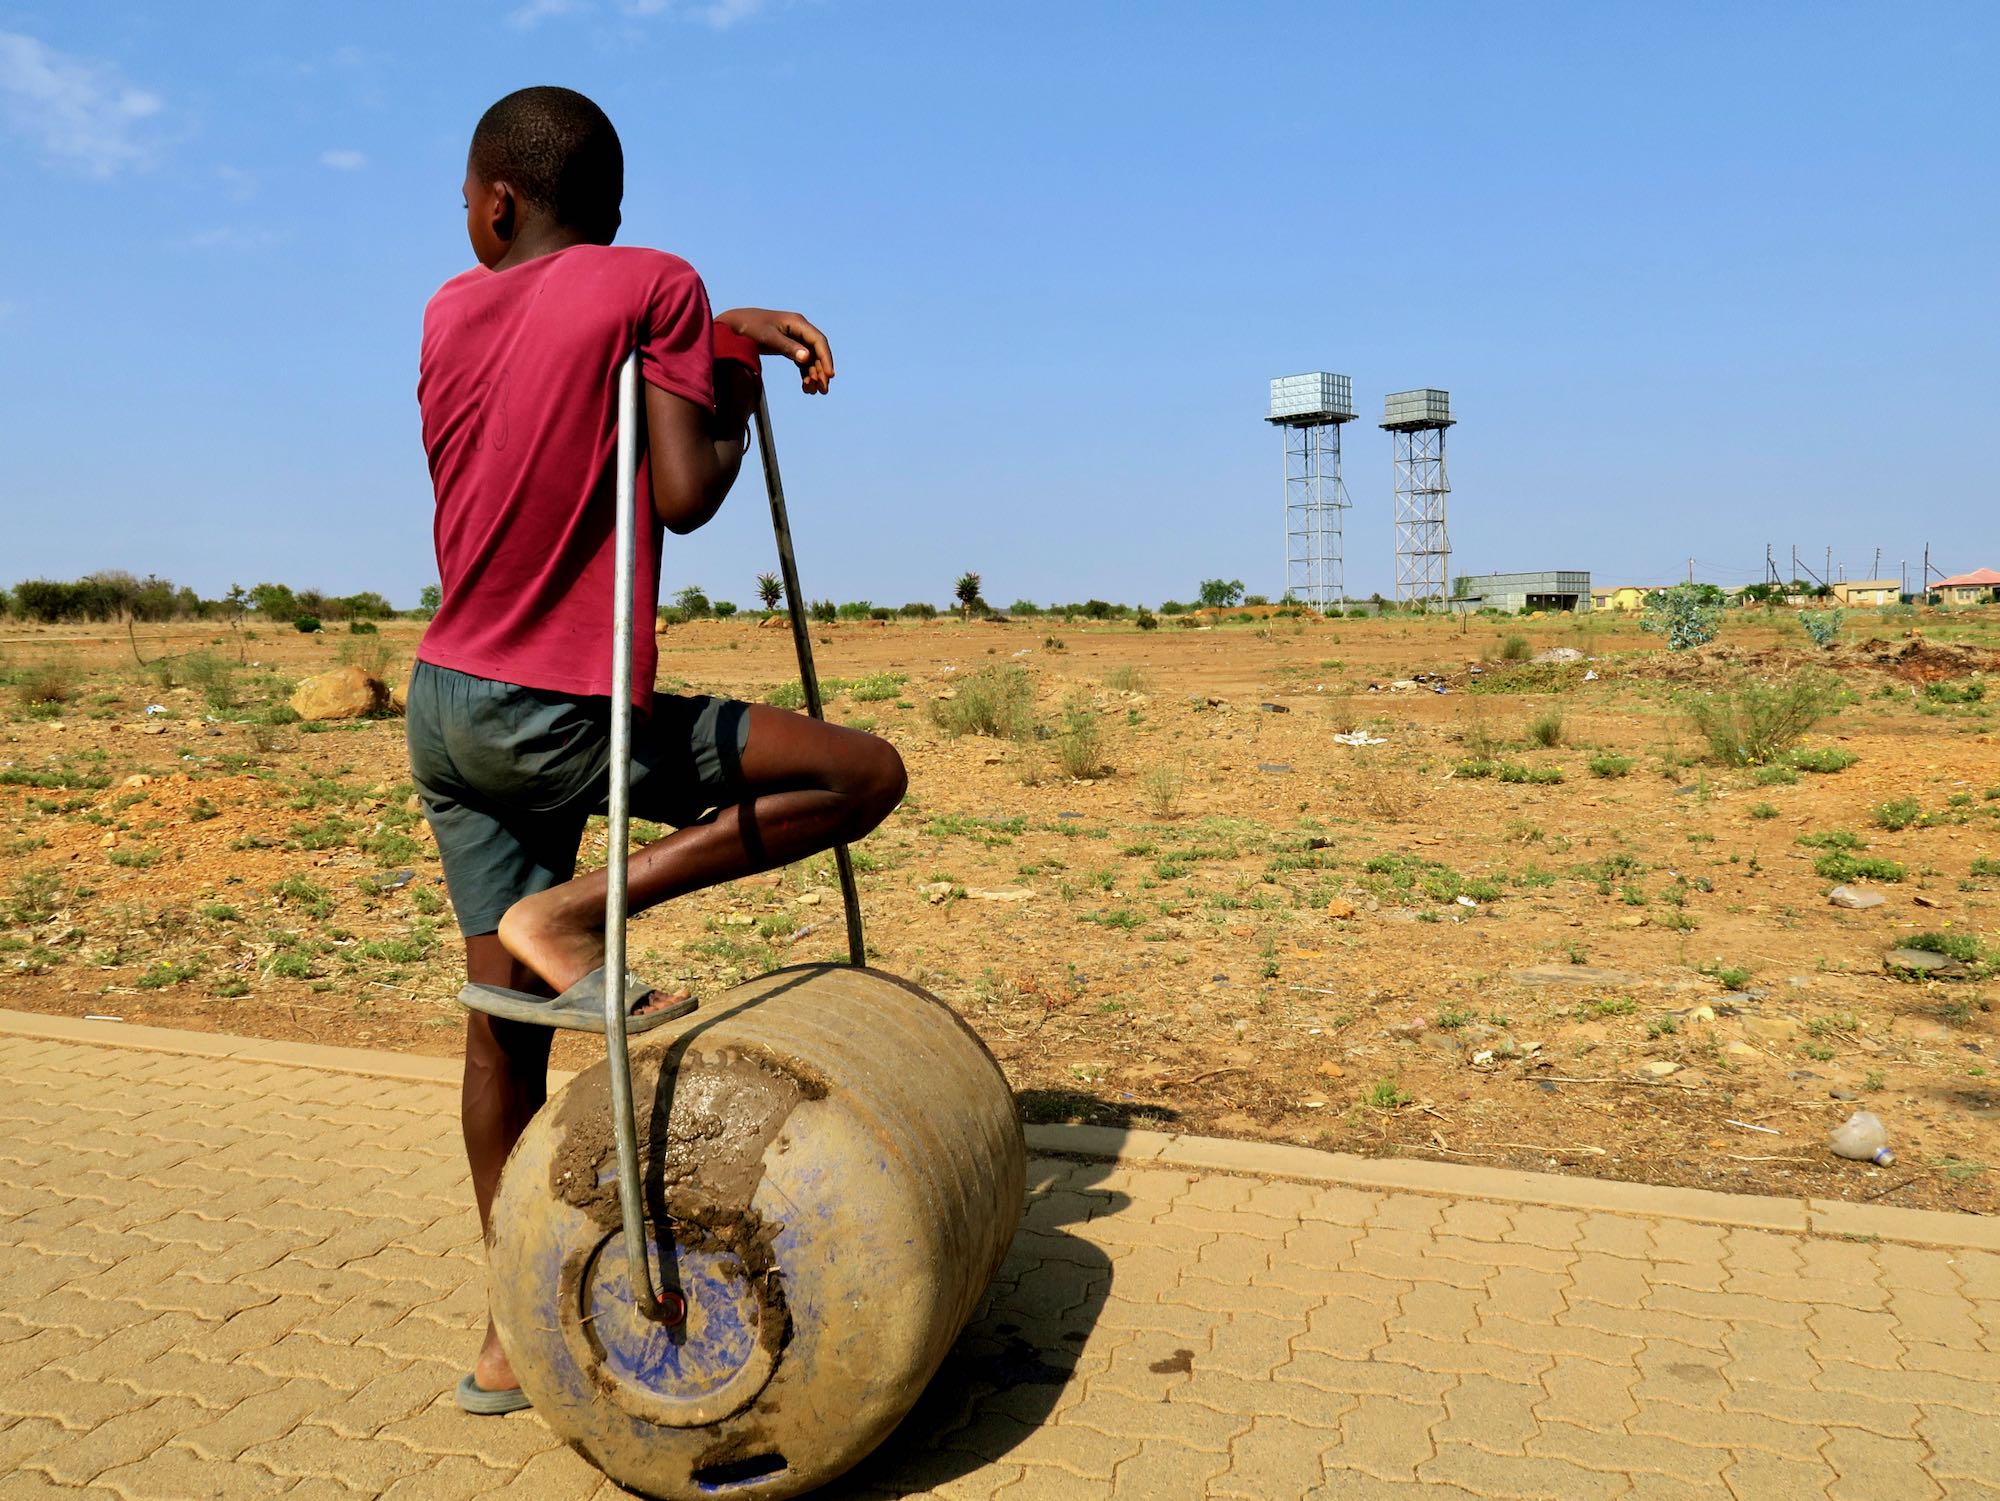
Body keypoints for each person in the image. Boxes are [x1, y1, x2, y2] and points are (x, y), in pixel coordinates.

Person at [406, 85, 906, 1414]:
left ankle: (506, 1334)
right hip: (568, 719)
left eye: (465, 198)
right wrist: (723, 373)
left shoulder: (447, 312)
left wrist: (696, 335)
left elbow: (560, 354)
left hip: (450, 705)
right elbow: (682, 493)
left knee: (495, 1040)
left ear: (498, 202)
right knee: (863, 773)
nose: (464, 216)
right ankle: (578, 909)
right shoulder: (657, 285)